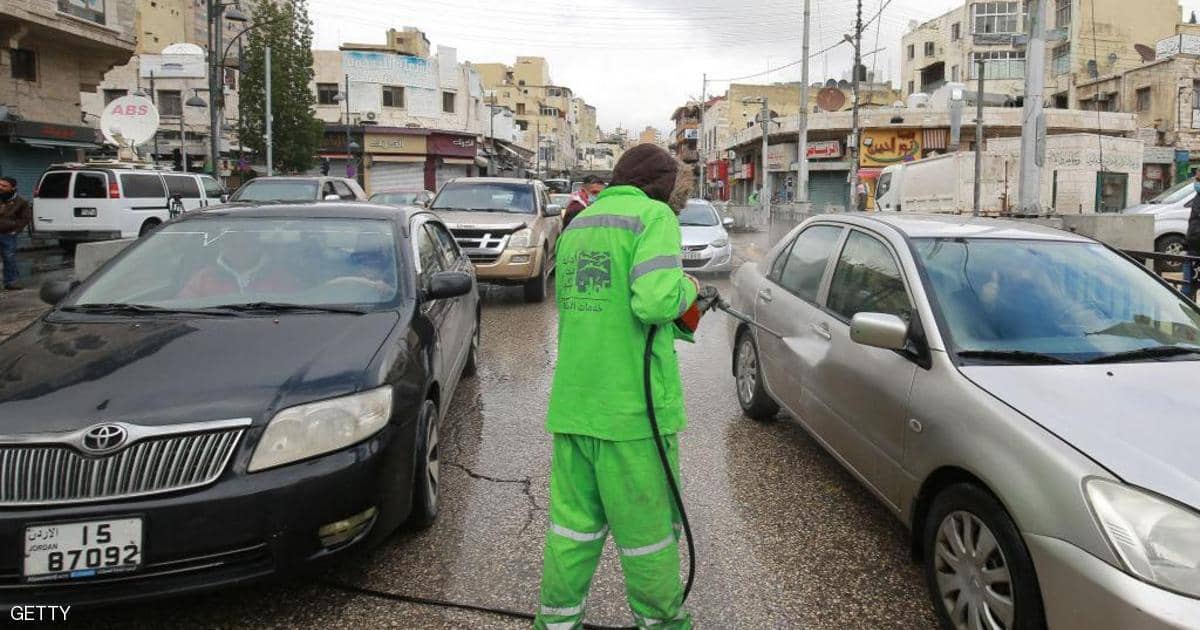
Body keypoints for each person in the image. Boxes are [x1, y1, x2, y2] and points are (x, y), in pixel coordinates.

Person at [535, 144, 700, 630]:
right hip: (632, 419)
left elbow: (600, 310)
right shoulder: (653, 217)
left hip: (574, 409)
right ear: (662, 188)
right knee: (649, 538)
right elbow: (654, 302)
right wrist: (690, 289)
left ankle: (555, 624)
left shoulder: (579, 223)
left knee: (571, 534)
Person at [178, 230, 301, 299]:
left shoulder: (279, 277)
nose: (239, 249)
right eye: (233, 244)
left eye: (245, 243)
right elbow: (183, 307)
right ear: (223, 246)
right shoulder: (204, 278)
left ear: (257, 245)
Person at [0, 177, 32, 291]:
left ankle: (11, 282)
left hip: (8, 234)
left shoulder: (21, 202)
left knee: (9, 258)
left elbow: (25, 218)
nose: (0, 187)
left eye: (4, 186)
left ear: (13, 188)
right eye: (0, 185)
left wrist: (16, 230)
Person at [1186, 170, 1200, 300]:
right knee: (1188, 286)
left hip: (1196, 245)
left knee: (1188, 286)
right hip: (1193, 245)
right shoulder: (1198, 195)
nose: (1196, 180)